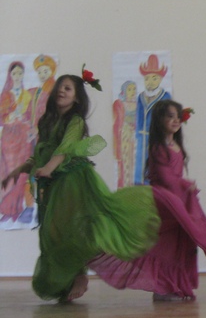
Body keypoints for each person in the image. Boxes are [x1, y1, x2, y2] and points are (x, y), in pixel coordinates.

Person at [1, 70, 161, 302]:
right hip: (53, 183)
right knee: (52, 233)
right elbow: (41, 151)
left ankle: (79, 275)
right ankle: (65, 283)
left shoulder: (75, 121)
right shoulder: (46, 121)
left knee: (75, 228)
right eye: (60, 87)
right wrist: (18, 171)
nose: (62, 91)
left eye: (68, 88)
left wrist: (49, 168)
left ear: (77, 98)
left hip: (73, 181)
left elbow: (64, 149)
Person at [91, 100, 206, 301]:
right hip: (164, 201)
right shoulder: (158, 148)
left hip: (178, 199)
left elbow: (175, 177)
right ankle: (162, 287)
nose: (175, 120)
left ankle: (174, 286)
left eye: (177, 116)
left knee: (179, 245)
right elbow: (165, 178)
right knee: (164, 247)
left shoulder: (176, 145)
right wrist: (186, 185)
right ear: (160, 120)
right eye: (170, 116)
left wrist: (184, 189)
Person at [0, 62, 32, 223]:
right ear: (10, 76)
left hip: (23, 137)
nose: (17, 76)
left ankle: (17, 209)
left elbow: (31, 116)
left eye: (20, 73)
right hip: (9, 138)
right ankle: (7, 209)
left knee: (22, 174)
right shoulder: (5, 95)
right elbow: (1, 118)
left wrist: (25, 121)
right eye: (15, 74)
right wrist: (11, 117)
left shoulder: (27, 95)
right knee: (9, 172)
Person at [134, 54, 171, 184]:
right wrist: (137, 134)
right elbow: (137, 118)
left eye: (154, 78)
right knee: (139, 169)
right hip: (141, 140)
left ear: (160, 79)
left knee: (155, 168)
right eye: (147, 78)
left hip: (157, 139)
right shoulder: (140, 97)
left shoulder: (165, 97)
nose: (150, 82)